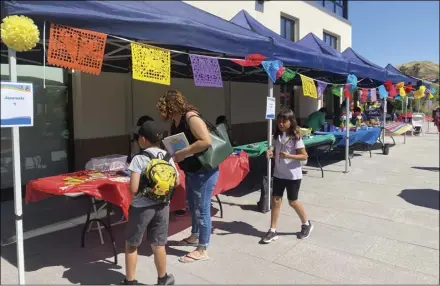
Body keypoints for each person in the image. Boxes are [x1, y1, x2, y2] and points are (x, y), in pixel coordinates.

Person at [156, 90, 219, 263]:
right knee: (192, 205)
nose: (162, 112)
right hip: (191, 171)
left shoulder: (191, 117)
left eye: (163, 107)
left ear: (171, 105)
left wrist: (183, 153)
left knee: (202, 208)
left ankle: (202, 248)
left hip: (204, 171)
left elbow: (206, 141)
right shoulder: (174, 123)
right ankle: (195, 235)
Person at [122, 121, 178, 285]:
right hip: (163, 205)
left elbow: (133, 189)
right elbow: (177, 182)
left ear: (143, 139)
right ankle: (163, 279)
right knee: (158, 244)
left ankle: (130, 281)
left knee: (132, 244)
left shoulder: (139, 158)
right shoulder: (167, 157)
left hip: (141, 208)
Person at [262, 109, 313, 244]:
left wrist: (289, 155)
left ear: (291, 122)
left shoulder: (296, 137)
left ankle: (306, 224)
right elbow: (275, 150)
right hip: (278, 174)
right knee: (276, 201)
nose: (281, 123)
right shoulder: (276, 136)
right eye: (279, 120)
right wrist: (271, 153)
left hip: (293, 176)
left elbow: (304, 156)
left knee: (293, 202)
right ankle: (272, 230)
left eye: (284, 120)